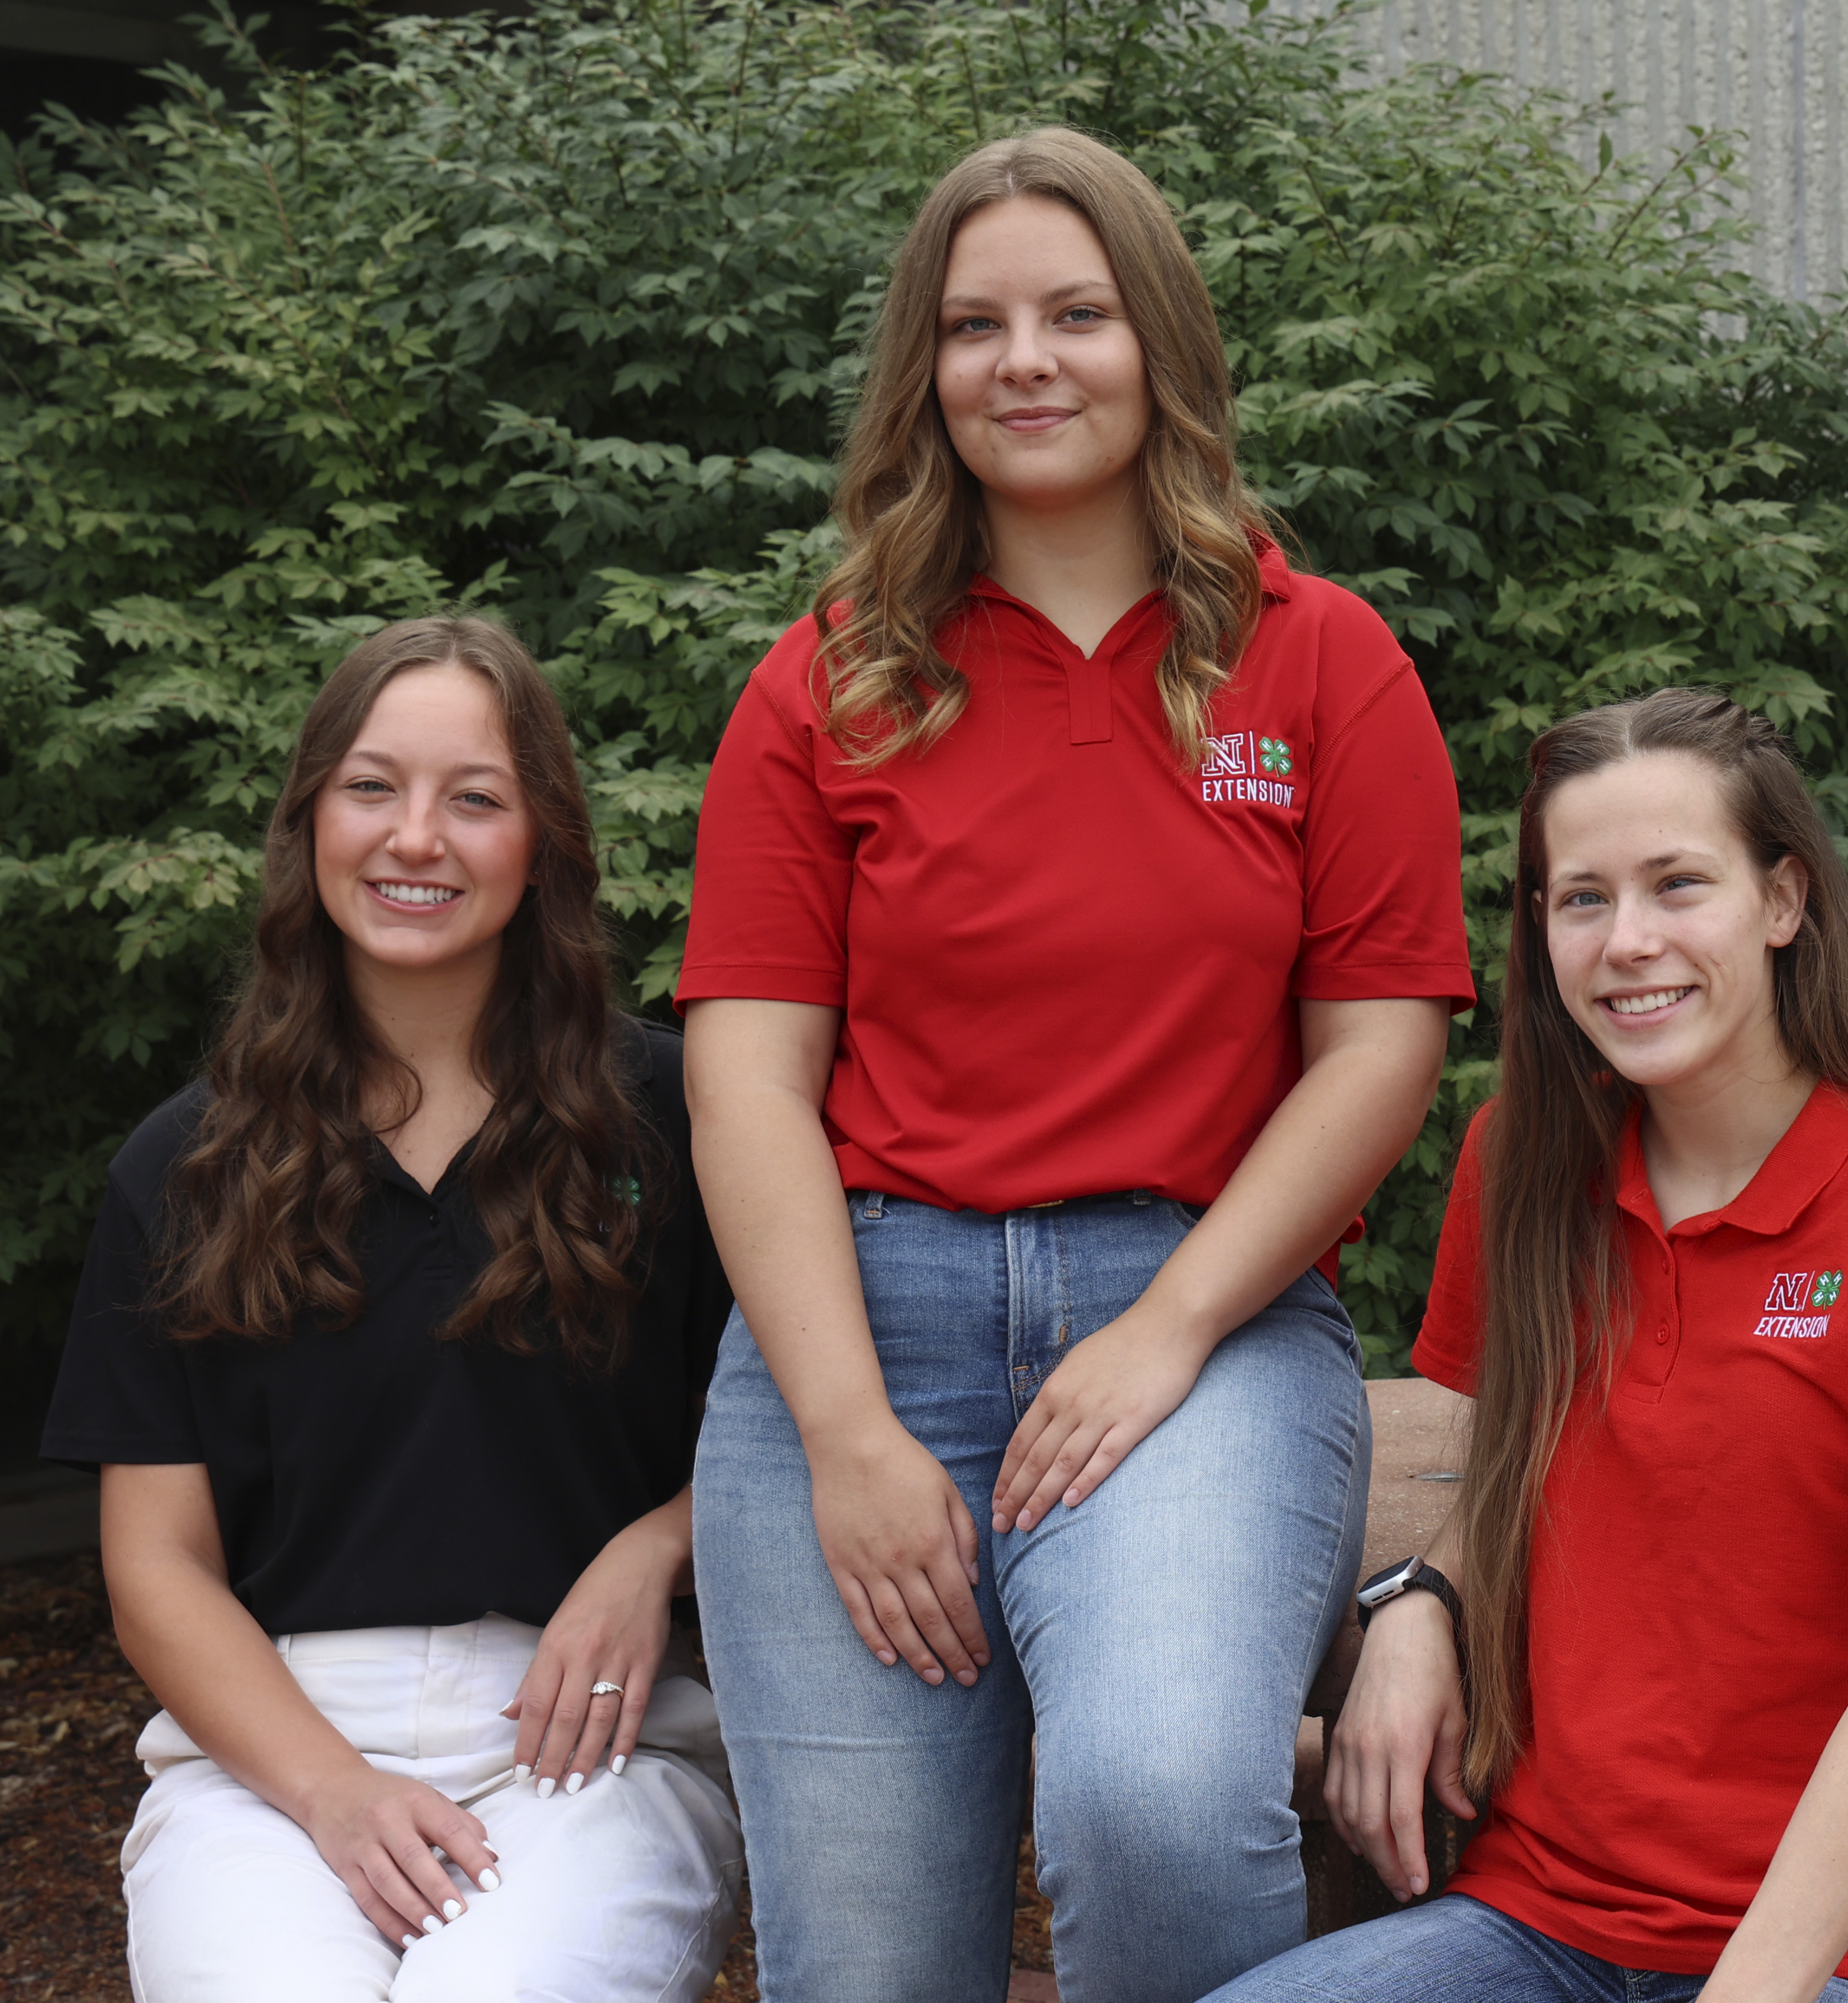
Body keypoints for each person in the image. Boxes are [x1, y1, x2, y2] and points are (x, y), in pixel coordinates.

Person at [674, 126, 1471, 2002]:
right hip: (858, 1329)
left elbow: (1379, 1047)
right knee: (868, 1963)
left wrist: (1173, 1323)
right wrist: (850, 1433)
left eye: (1076, 313)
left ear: (1160, 344)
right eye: (976, 326)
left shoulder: (1320, 662)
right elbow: (745, 1083)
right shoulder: (833, 678)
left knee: (1159, 1801)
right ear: (925, 373)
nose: (1025, 360)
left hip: (1197, 1313)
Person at [1213, 689, 1848, 2003]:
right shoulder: (1522, 1163)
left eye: (1677, 885)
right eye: (1581, 899)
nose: (1628, 942)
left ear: (1785, 900)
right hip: (1539, 1926)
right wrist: (1416, 1605)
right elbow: (1529, 1474)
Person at [48, 616, 741, 2001]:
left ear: (541, 839)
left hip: (592, 1746)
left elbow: (796, 1418)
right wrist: (334, 1793)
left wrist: (651, 1554)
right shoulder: (183, 1165)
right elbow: (158, 1570)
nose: (414, 837)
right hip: (269, 1756)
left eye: (473, 798)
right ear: (310, 820)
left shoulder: (680, 1119)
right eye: (372, 787)